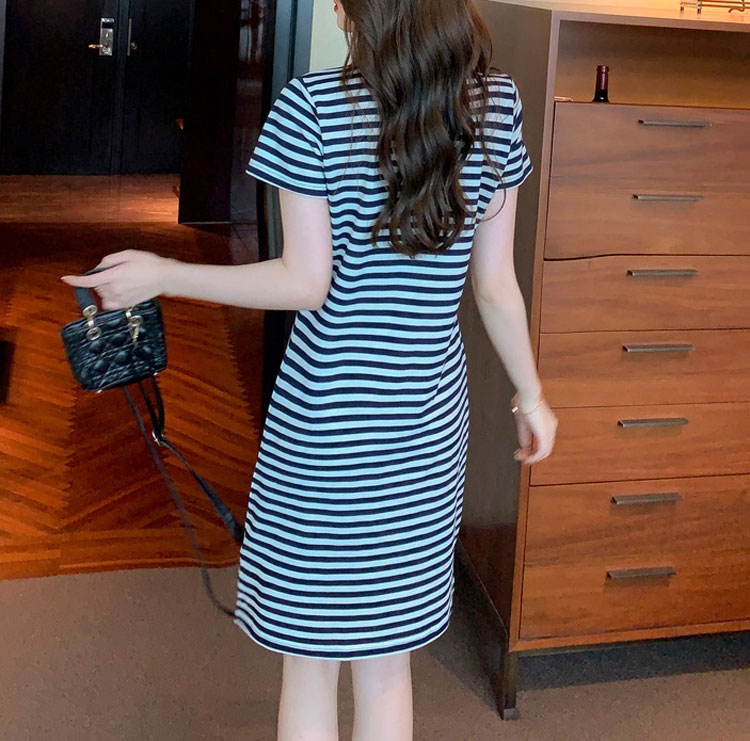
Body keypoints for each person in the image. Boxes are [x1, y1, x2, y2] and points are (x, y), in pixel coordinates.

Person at [61, 0, 558, 737]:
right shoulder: (495, 106)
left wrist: (166, 273)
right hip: (426, 432)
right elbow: (493, 285)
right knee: (387, 665)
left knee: (311, 659)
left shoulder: (313, 108)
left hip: (324, 430)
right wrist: (532, 395)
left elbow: (304, 283)